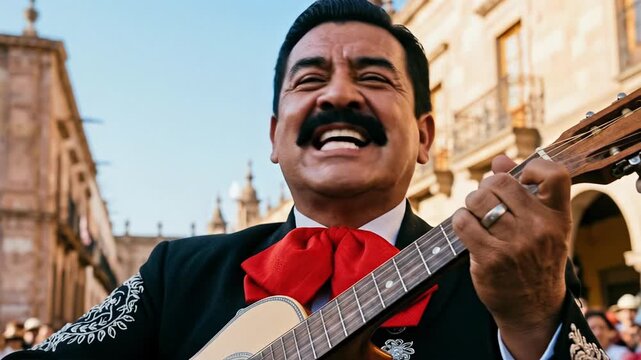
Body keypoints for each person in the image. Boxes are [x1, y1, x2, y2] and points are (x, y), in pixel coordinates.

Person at [5, 0, 604, 359]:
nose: (339, 92)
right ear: (274, 136)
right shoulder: (177, 276)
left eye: (374, 77)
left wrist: (531, 323)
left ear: (425, 137)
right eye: (310, 79)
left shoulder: (519, 274)